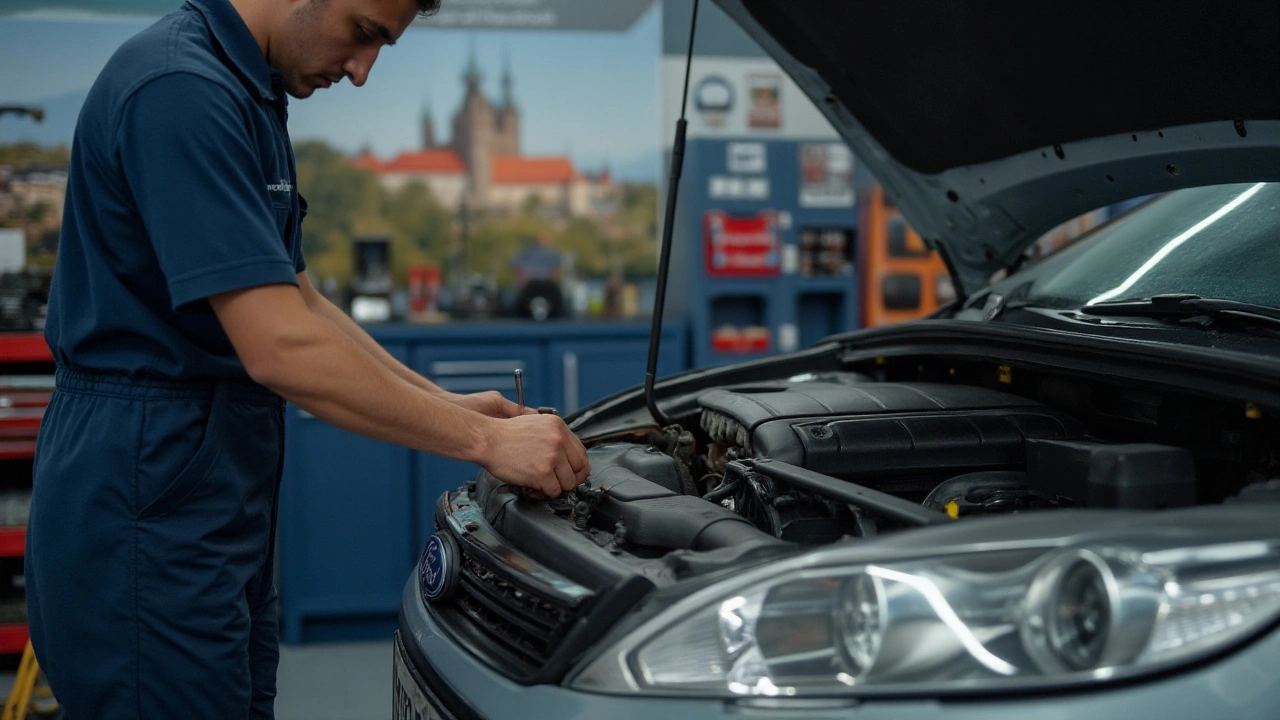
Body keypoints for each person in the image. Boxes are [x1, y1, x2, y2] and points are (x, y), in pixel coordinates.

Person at [24, 0, 590, 718]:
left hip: (207, 485)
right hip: (145, 488)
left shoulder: (246, 88)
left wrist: (450, 407)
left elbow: (301, 304)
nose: (361, 72)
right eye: (363, 35)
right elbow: (280, 347)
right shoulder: (180, 87)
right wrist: (486, 440)